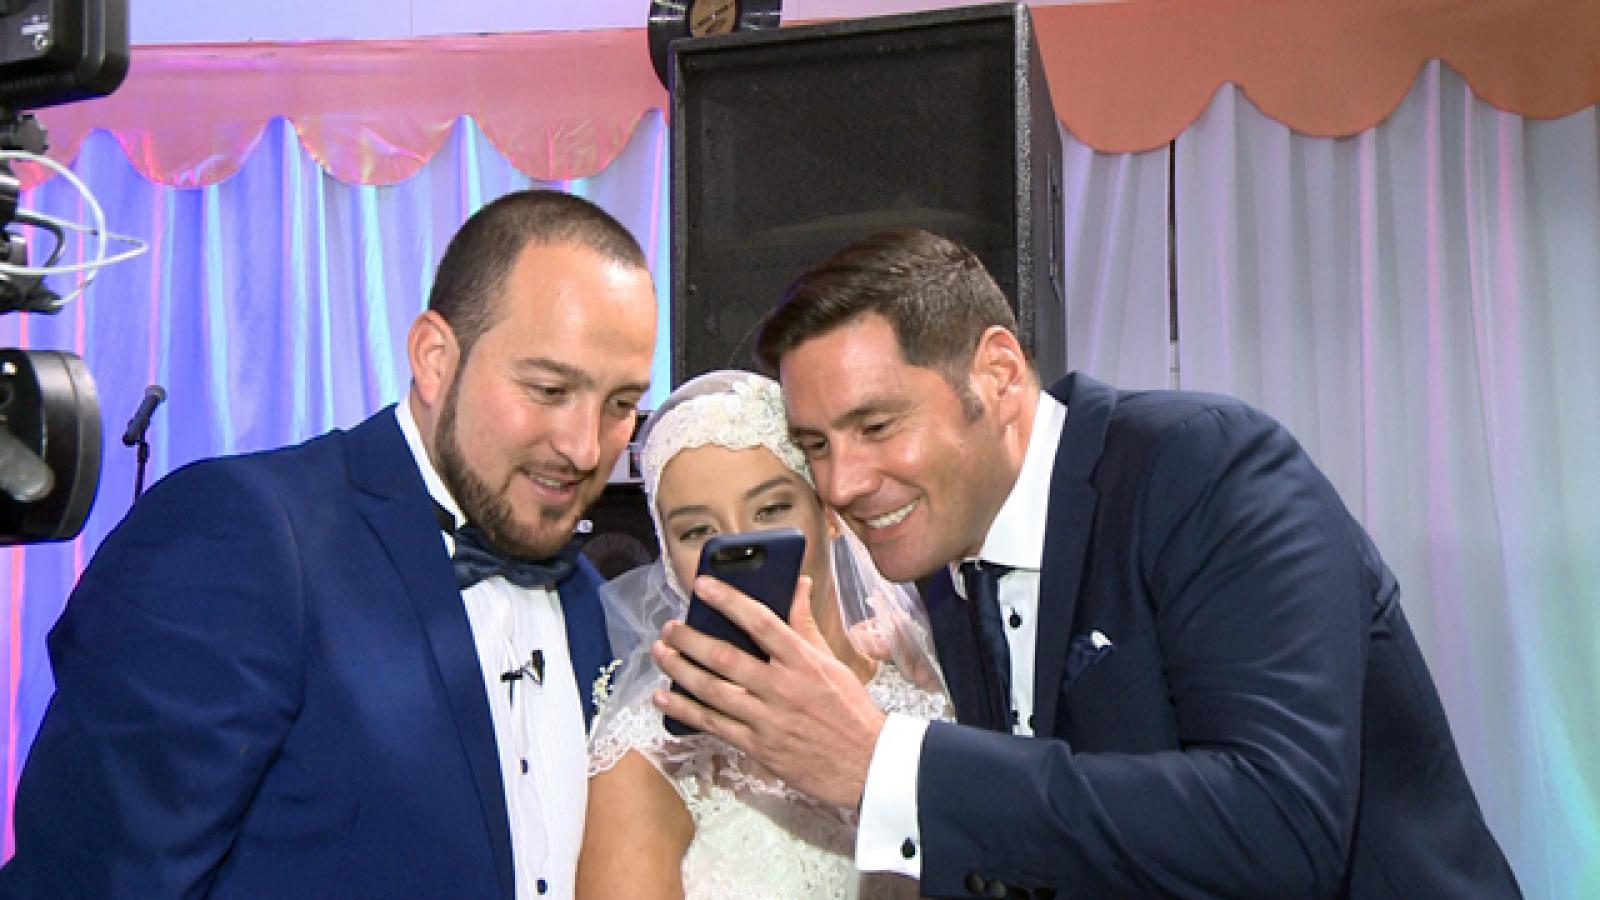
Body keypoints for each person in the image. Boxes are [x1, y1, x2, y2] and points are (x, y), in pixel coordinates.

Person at [651, 228, 1522, 898]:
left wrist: (888, 761)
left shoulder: (1208, 470)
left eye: (877, 426)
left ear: (998, 375)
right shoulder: (942, 557)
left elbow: (1281, 826)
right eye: (816, 445)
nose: (842, 482)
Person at [0, 189, 658, 899]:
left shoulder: (594, 603)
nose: (586, 447)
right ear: (435, 358)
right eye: (550, 389)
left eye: (621, 404)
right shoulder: (241, 534)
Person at [577, 370, 948, 900]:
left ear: (829, 514)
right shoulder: (653, 756)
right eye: (697, 531)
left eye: (772, 510)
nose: (740, 544)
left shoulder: (931, 687)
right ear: (670, 562)